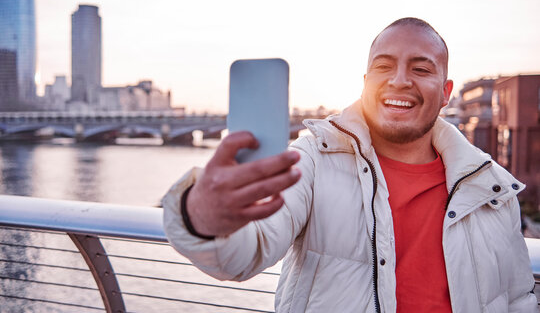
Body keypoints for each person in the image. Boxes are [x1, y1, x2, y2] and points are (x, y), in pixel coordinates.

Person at [162, 18, 537, 312]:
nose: (399, 80)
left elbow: (518, 300)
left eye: (421, 69)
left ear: (445, 92)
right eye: (384, 66)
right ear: (365, 82)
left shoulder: (494, 191)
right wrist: (202, 217)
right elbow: (242, 255)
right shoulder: (311, 161)